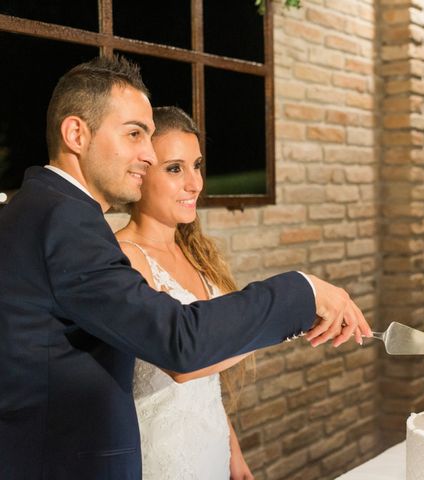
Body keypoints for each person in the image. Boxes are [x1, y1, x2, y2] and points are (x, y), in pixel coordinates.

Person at [0, 55, 371, 479]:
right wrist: (302, 291)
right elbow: (179, 342)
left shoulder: (39, 209)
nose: (146, 154)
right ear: (76, 133)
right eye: (135, 134)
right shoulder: (65, 221)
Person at [116, 106, 255, 479]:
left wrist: (233, 451)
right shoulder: (127, 258)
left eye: (196, 165)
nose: (195, 183)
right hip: (163, 455)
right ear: (140, 172)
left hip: (210, 445)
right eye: (175, 169)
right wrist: (285, 318)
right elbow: (186, 362)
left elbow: (206, 382)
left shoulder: (193, 251)